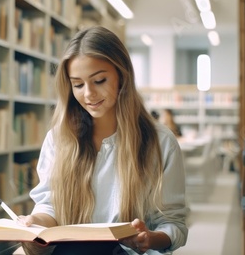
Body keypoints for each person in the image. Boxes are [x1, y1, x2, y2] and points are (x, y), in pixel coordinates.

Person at [18, 26, 188, 255]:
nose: (88, 94)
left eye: (99, 80)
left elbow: (173, 224)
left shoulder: (161, 142)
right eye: (78, 84)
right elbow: (50, 207)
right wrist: (35, 223)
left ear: (122, 75)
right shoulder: (59, 139)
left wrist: (148, 238)